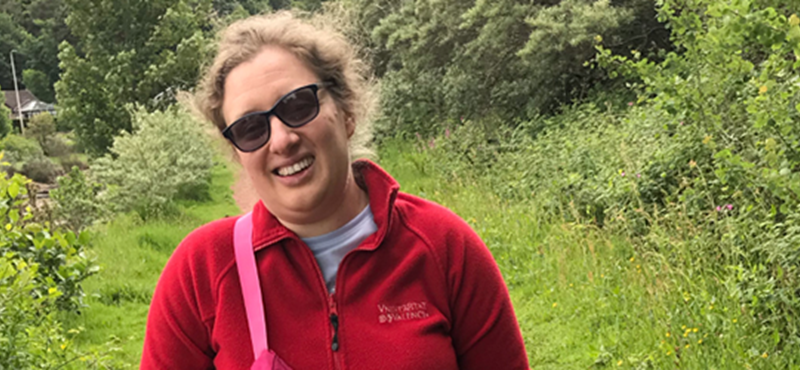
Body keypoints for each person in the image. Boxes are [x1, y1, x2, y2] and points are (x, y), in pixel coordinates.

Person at [141, 11, 529, 370]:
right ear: (239, 153)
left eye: (297, 105)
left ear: (346, 112)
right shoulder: (202, 272)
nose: (281, 139)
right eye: (250, 128)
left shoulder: (443, 247)